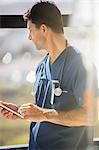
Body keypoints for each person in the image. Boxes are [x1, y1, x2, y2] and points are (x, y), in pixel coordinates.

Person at [0, 1, 98, 150]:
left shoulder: (81, 66)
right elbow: (44, 111)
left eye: (30, 30)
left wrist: (42, 114)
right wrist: (21, 112)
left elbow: (90, 116)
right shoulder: (41, 67)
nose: (29, 37)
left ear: (44, 29)